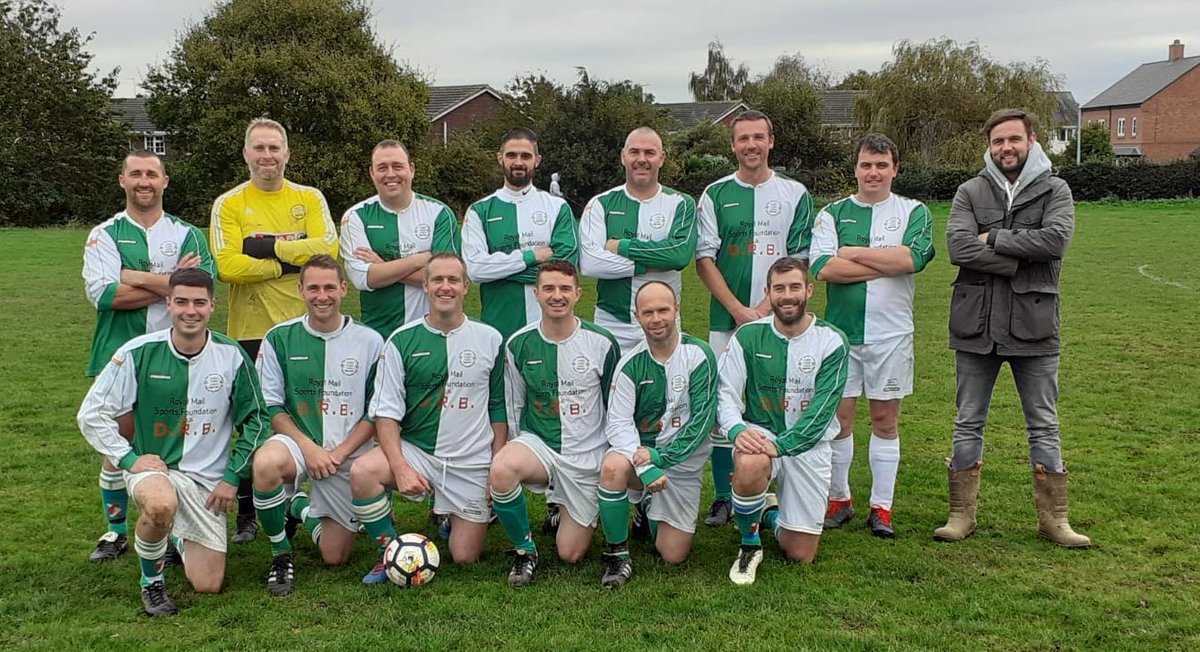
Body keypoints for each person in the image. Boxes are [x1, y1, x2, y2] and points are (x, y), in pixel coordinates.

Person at [77, 268, 271, 616]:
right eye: (181, 301)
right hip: (157, 469)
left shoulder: (231, 355)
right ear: (168, 304)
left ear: (213, 306)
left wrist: (231, 479)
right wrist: (128, 459)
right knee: (160, 505)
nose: (190, 311)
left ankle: (176, 536)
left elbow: (257, 419)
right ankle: (152, 584)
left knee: (208, 584)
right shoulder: (138, 351)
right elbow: (91, 414)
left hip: (207, 483)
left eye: (199, 302)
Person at [938, 109, 1090, 548]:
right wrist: (1019, 258)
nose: (1006, 148)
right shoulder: (970, 190)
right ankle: (960, 514)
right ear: (989, 146)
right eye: (998, 141)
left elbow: (1055, 241)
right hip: (975, 324)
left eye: (1014, 140)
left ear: (1032, 141)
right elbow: (958, 246)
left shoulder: (1055, 189)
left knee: (1044, 424)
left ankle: (1054, 520)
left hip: (1035, 325)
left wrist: (993, 239)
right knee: (968, 422)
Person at [82, 149, 215, 562]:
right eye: (135, 173)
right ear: (122, 180)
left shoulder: (187, 233)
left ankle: (170, 527)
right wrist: (173, 281)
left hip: (179, 354)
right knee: (118, 441)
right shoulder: (104, 234)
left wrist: (137, 276)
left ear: (164, 182)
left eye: (151, 174)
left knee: (171, 439)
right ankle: (115, 530)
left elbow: (203, 288)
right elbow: (103, 295)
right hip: (120, 352)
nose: (144, 181)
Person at [210, 117, 339, 542]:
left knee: (306, 416)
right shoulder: (229, 204)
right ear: (246, 154)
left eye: (274, 148)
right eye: (259, 149)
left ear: (287, 153)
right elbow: (227, 266)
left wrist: (266, 249)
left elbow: (328, 250)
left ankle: (305, 502)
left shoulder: (309, 197)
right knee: (252, 422)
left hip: (304, 328)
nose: (267, 157)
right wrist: (292, 261)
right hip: (249, 330)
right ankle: (248, 511)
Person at [350, 253, 507, 583]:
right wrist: (401, 468)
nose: (445, 287)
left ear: (466, 286)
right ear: (425, 286)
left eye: (453, 280)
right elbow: (387, 414)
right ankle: (389, 553)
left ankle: (448, 515)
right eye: (437, 280)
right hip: (418, 450)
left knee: (465, 557)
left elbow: (498, 408)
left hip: (470, 459)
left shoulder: (490, 339)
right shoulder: (401, 340)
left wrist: (496, 465)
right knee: (363, 471)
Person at [808, 133, 935, 538]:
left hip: (891, 335)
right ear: (856, 168)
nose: (873, 172)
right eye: (866, 164)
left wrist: (850, 252)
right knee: (839, 420)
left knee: (884, 420)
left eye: (882, 165)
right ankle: (840, 500)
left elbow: (912, 259)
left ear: (895, 169)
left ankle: (882, 509)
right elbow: (824, 269)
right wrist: (885, 263)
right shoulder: (832, 213)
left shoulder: (913, 211)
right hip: (840, 336)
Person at [695, 109, 815, 527]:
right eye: (743, 138)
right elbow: (704, 258)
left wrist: (763, 310)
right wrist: (738, 311)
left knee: (773, 401)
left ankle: (773, 493)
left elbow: (799, 258)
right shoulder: (714, 194)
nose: (751, 145)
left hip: (780, 319)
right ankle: (725, 496)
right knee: (722, 404)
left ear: (771, 141)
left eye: (758, 137)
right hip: (726, 319)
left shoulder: (795, 193)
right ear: (733, 145)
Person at [250, 255, 384, 596]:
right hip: (297, 443)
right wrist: (309, 448)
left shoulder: (371, 341)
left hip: (347, 451)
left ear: (343, 289)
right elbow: (272, 405)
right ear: (300, 290)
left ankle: (298, 507)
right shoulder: (279, 337)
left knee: (335, 556)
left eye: (329, 287)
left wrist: (338, 453)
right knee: (265, 465)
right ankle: (280, 552)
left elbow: (376, 411)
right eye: (313, 288)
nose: (321, 295)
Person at [717, 257, 849, 585]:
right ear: (768, 293)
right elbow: (725, 392)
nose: (787, 296)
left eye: (794, 287)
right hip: (762, 432)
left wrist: (783, 446)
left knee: (799, 553)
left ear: (809, 290)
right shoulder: (747, 336)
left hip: (807, 444)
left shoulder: (832, 341)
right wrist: (735, 429)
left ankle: (767, 513)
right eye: (779, 289)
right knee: (749, 461)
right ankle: (749, 545)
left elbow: (821, 414)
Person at [489, 260, 620, 587]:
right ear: (536, 293)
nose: (556, 295)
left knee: (570, 553)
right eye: (548, 288)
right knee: (502, 469)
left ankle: (567, 505)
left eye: (564, 288)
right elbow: (515, 403)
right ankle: (525, 551)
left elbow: (614, 407)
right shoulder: (518, 343)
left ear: (578, 293)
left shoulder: (602, 342)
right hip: (541, 446)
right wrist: (514, 448)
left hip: (586, 455)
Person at [596, 281, 717, 588]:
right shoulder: (629, 364)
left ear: (677, 309)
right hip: (642, 459)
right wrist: (646, 465)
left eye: (663, 309)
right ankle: (617, 555)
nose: (656, 318)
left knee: (672, 554)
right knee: (612, 466)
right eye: (648, 312)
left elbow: (702, 420)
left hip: (681, 465)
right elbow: (618, 424)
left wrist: (663, 457)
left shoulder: (700, 355)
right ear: (637, 315)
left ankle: (646, 506)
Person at [579, 126, 698, 353]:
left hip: (664, 321)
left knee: (666, 387)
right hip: (612, 322)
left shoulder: (681, 203)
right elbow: (591, 263)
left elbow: (680, 254)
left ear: (661, 159)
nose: (641, 159)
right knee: (609, 388)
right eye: (634, 152)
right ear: (623, 157)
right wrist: (651, 264)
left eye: (649, 153)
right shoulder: (601, 203)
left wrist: (621, 246)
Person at [462, 127, 578, 342]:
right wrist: (530, 257)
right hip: (498, 327)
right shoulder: (479, 210)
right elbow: (475, 269)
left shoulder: (557, 207)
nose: (518, 162)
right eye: (511, 155)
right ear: (500, 158)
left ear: (537, 160)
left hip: (552, 329)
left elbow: (566, 268)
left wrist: (499, 271)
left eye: (525, 156)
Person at [340, 140, 461, 338]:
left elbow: (445, 280)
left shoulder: (440, 213)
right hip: (378, 334)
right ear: (372, 173)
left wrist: (384, 266)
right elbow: (364, 279)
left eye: (397, 166)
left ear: (411, 169)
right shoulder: (355, 216)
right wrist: (418, 260)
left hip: (434, 333)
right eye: (382, 168)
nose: (390, 174)